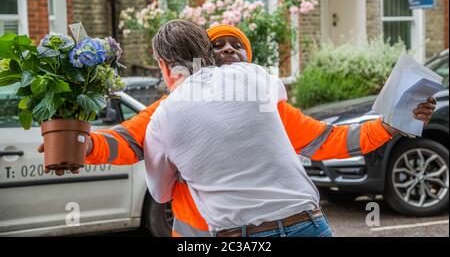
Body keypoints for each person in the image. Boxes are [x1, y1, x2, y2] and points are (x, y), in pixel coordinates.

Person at [38, 22, 437, 237]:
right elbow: (123, 140)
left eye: (237, 45)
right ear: (203, 58)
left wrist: (387, 124)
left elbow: (328, 141)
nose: (229, 50)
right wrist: (83, 145)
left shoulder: (264, 100)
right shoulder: (171, 108)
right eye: (219, 45)